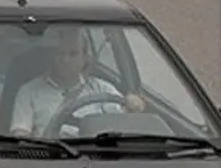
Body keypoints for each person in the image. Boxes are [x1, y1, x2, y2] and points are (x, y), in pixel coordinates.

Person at [10, 27, 145, 138]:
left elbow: (127, 117)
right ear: (51, 56)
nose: (65, 60)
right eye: (60, 53)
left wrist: (134, 103)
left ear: (85, 58)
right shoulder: (29, 92)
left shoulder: (102, 89)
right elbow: (21, 136)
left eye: (73, 54)